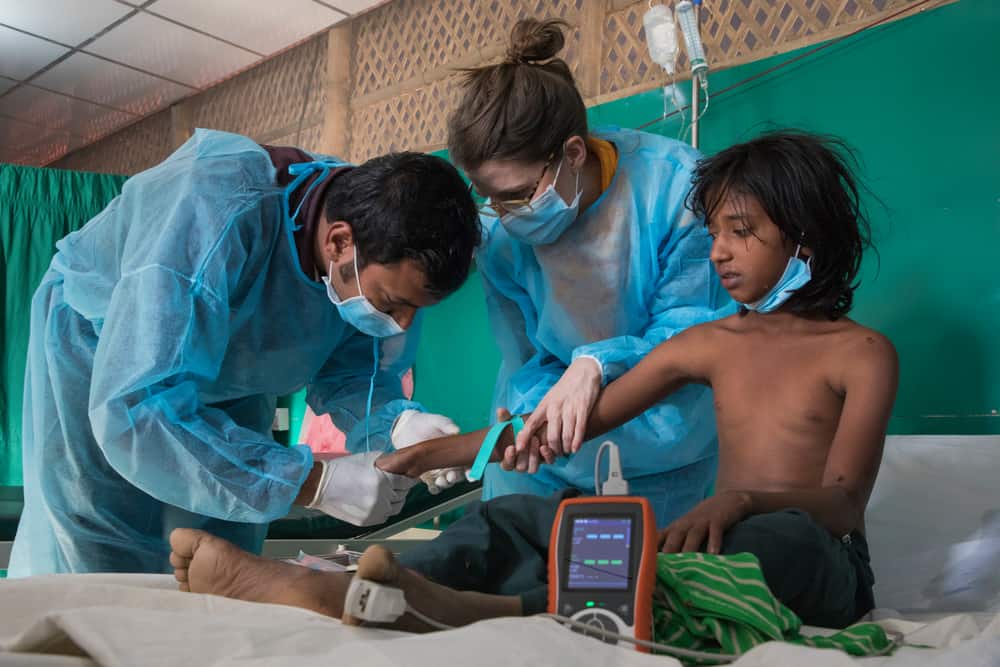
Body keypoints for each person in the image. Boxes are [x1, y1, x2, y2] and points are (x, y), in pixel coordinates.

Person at [167, 130, 898, 630]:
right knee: (523, 520)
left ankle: (479, 611)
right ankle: (351, 584)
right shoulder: (710, 344)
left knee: (776, 541)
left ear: (803, 235)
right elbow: (559, 429)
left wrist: (738, 501)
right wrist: (423, 453)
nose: (717, 254)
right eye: (712, 234)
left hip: (814, 553)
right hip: (716, 539)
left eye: (740, 232)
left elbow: (841, 504)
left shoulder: (861, 354)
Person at [8, 129, 481, 577]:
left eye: (415, 309)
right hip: (107, 358)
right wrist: (314, 483)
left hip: (236, 374)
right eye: (392, 303)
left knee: (227, 554)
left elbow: (353, 372)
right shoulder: (209, 211)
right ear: (339, 242)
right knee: (104, 543)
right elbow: (138, 411)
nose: (401, 325)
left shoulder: (374, 242)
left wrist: (397, 423)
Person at [442, 18, 732, 525]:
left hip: (658, 453)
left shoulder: (677, 190)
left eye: (517, 195)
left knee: (642, 571)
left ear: (573, 153)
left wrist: (598, 363)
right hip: (541, 460)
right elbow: (524, 356)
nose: (503, 214)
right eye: (488, 197)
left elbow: (694, 331)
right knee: (510, 565)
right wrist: (534, 422)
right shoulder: (499, 236)